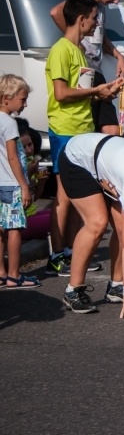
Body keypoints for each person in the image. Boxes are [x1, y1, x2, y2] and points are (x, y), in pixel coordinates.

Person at [45, 0, 123, 278]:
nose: (96, 23)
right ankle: (56, 255)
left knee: (80, 194)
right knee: (64, 196)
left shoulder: (78, 50)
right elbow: (61, 93)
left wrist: (106, 92)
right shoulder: (61, 50)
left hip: (81, 129)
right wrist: (95, 92)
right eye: (93, 18)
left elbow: (82, 91)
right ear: (81, 19)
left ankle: (71, 251)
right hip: (65, 130)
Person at [58, 133, 124, 315]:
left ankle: (116, 286)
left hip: (110, 162)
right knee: (97, 223)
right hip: (77, 157)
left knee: (123, 228)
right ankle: (72, 290)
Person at [49, 0, 124, 135]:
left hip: (96, 69)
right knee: (92, 120)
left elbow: (102, 39)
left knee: (110, 127)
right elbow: (55, 12)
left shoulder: (101, 8)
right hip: (83, 70)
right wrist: (75, 39)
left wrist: (119, 56)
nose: (116, 2)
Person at [0, 75, 38, 290]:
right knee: (15, 230)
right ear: (7, 98)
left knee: (0, 229)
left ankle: (1, 273)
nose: (24, 104)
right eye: (22, 99)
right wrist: (24, 185)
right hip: (12, 184)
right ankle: (14, 275)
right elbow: (13, 157)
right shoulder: (9, 123)